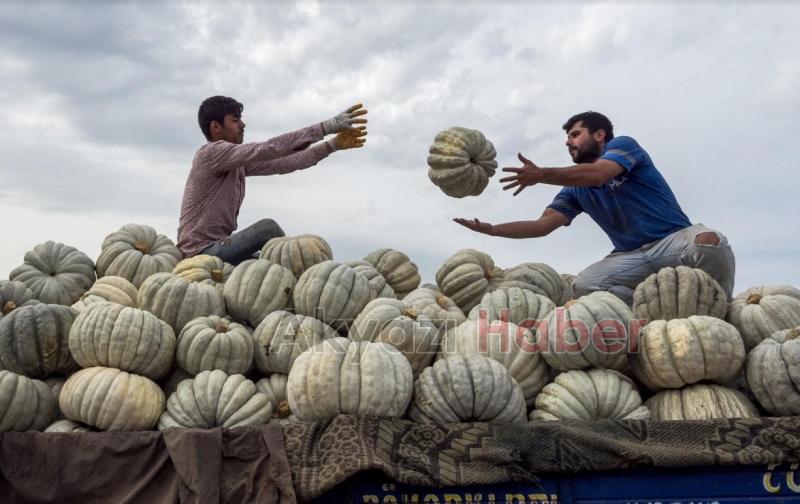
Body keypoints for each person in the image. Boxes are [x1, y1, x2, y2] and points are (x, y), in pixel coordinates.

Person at [454, 111, 735, 305]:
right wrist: (492, 230)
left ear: (600, 134)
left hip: (672, 242)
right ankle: (650, 313)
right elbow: (542, 226)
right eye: (567, 138)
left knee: (710, 243)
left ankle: (719, 309)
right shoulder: (574, 189)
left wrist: (542, 175)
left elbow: (600, 174)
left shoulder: (623, 146)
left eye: (575, 134)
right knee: (584, 286)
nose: (568, 142)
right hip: (629, 256)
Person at [177, 96, 367, 264]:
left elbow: (286, 162)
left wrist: (332, 145)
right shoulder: (210, 153)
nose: (242, 125)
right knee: (268, 229)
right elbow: (270, 148)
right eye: (235, 121)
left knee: (265, 264)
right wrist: (326, 127)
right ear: (216, 127)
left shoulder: (236, 164)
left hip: (220, 248)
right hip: (200, 253)